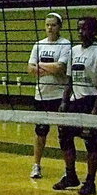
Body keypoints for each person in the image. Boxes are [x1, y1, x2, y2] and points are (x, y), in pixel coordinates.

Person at [52, 17, 97, 195]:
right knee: (64, 137)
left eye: (84, 29)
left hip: (91, 101)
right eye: (79, 29)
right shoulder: (74, 50)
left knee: (91, 142)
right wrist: (64, 102)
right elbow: (69, 80)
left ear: (94, 32)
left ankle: (90, 182)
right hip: (74, 102)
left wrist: (95, 110)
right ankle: (71, 176)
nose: (80, 32)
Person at [27, 12, 71, 179]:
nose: (50, 28)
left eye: (53, 25)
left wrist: (40, 65)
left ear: (59, 26)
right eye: (47, 25)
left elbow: (60, 67)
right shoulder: (38, 44)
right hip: (41, 96)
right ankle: (36, 165)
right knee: (40, 132)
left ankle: (68, 169)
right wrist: (46, 67)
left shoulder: (65, 44)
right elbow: (29, 69)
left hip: (60, 96)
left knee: (64, 134)